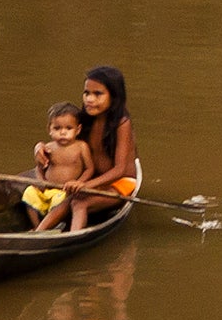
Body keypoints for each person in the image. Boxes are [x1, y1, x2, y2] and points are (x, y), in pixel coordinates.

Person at [65, 66, 140, 232]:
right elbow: (61, 138)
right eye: (86, 93)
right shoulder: (84, 119)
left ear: (114, 97)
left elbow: (120, 169)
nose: (89, 99)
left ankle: (71, 237)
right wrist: (40, 148)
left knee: (79, 202)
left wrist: (87, 185)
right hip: (93, 177)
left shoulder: (121, 123)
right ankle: (37, 232)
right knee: (65, 199)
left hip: (120, 183)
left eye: (97, 94)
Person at [23, 103, 93, 232]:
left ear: (78, 130)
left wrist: (79, 182)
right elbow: (40, 167)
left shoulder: (81, 147)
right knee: (29, 192)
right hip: (47, 190)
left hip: (65, 192)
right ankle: (37, 225)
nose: (62, 132)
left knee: (61, 202)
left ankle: (51, 225)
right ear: (49, 129)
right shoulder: (49, 148)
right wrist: (41, 181)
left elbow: (89, 169)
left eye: (68, 128)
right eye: (57, 128)